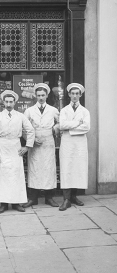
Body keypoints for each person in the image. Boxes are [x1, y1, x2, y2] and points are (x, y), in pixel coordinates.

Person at [0, 90, 35, 213]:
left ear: (15, 102)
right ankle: (3, 204)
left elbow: (31, 130)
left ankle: (16, 202)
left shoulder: (20, 116)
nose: (9, 104)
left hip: (16, 146)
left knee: (16, 175)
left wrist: (27, 147)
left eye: (11, 102)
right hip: (3, 146)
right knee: (3, 175)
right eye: (6, 102)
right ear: (3, 102)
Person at [23, 83, 60, 208]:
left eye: (43, 95)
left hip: (48, 142)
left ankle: (49, 198)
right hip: (35, 143)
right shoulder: (29, 111)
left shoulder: (53, 110)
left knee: (49, 169)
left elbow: (61, 123)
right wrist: (30, 140)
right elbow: (23, 127)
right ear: (35, 96)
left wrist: (54, 129)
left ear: (47, 95)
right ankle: (33, 198)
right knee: (34, 169)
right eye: (38, 95)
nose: (41, 98)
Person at [59, 83, 90, 211]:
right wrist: (78, 123)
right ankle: (66, 199)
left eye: (77, 93)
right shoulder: (64, 110)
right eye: (73, 93)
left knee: (78, 168)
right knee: (66, 167)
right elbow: (62, 125)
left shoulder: (85, 111)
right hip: (67, 142)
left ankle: (74, 197)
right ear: (69, 95)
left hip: (80, 143)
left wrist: (70, 127)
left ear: (80, 95)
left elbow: (87, 127)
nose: (75, 96)